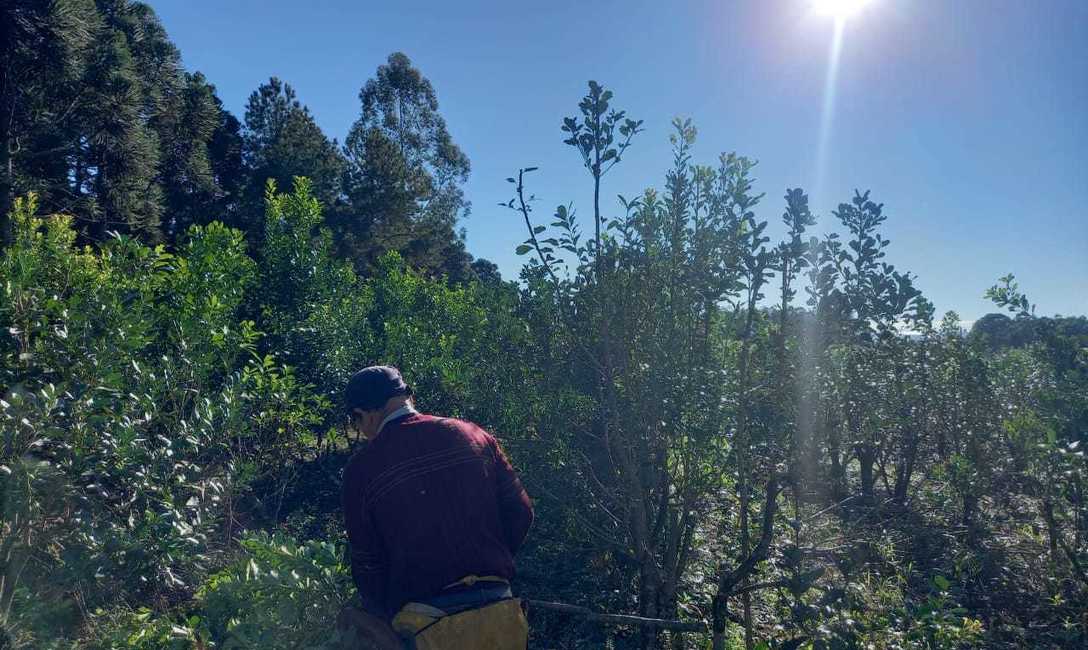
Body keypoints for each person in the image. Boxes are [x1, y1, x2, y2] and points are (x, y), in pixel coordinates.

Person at [341, 366, 534, 649]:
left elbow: (367, 563)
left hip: (426, 625)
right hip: (500, 610)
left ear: (364, 414)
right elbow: (522, 512)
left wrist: (383, 611)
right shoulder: (473, 435)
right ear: (408, 397)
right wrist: (487, 560)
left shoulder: (361, 471)